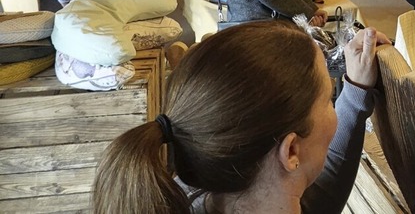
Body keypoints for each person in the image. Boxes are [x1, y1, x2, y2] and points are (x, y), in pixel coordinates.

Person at [93, 21, 389, 214]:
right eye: (328, 98)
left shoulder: (200, 190)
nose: (332, 106)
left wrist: (356, 88)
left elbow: (320, 193)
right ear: (292, 150)